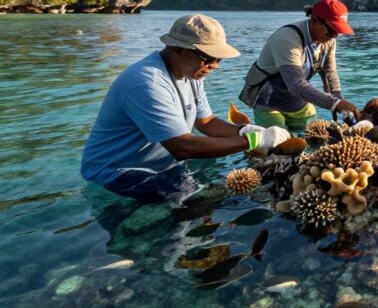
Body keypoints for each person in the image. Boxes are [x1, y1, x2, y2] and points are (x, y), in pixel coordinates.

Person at [81, 14, 289, 202]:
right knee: (196, 202)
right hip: (117, 171)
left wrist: (245, 130)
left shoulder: (192, 74)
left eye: (219, 59)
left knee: (210, 197)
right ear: (177, 49)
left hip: (164, 164)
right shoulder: (147, 82)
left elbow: (206, 122)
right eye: (208, 57)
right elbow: (182, 147)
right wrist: (254, 141)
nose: (214, 65)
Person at [241, 0, 360, 131]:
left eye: (338, 32)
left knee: (311, 141)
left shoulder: (328, 40)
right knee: (276, 145)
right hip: (269, 102)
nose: (334, 36)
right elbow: (296, 85)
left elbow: (330, 72)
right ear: (315, 20)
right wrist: (334, 103)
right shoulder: (287, 39)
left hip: (297, 101)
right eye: (332, 31)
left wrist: (339, 101)